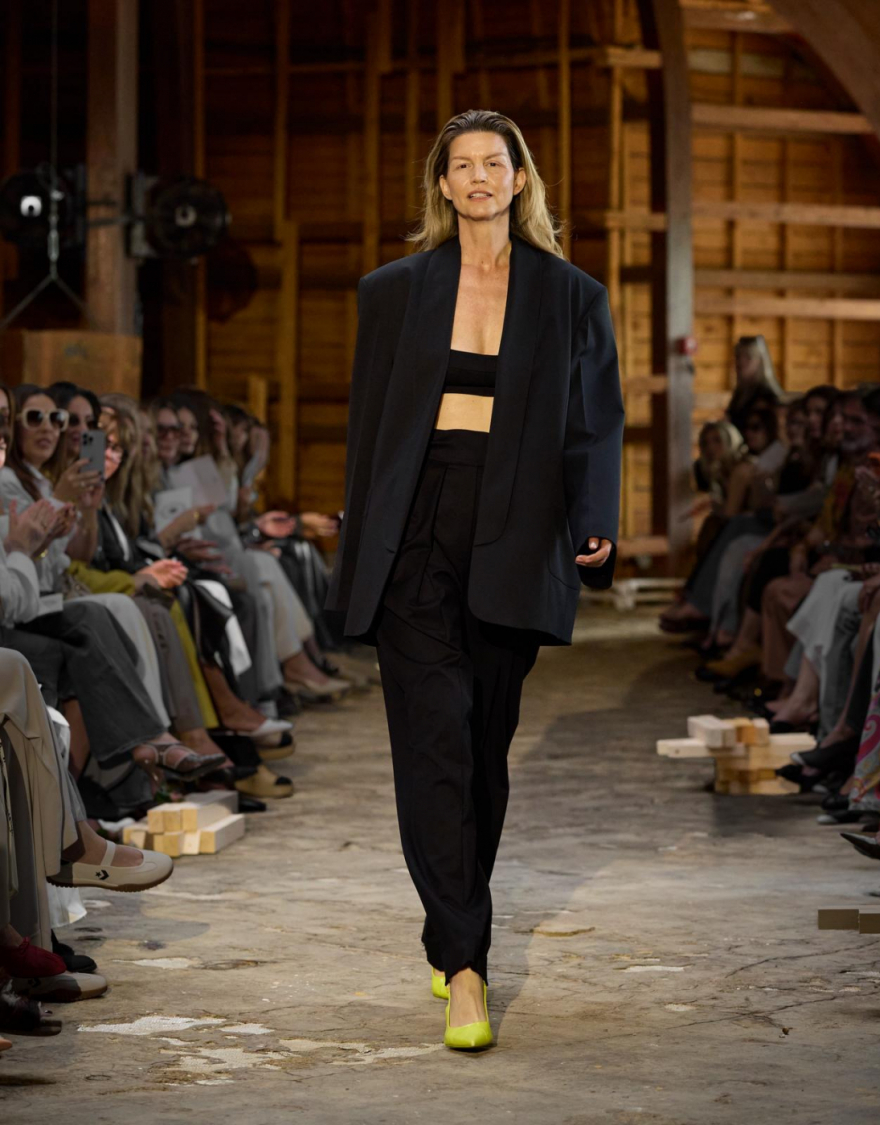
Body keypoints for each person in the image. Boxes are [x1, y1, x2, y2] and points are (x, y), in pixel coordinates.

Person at [325, 109, 623, 1050]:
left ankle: (449, 923)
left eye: (496, 162)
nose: (481, 177)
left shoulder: (571, 295)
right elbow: (369, 432)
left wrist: (595, 516)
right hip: (415, 525)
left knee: (482, 748)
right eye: (463, 165)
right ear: (443, 185)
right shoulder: (392, 291)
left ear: (520, 179)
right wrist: (359, 544)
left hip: (517, 528)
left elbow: (595, 419)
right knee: (433, 742)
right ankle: (465, 967)